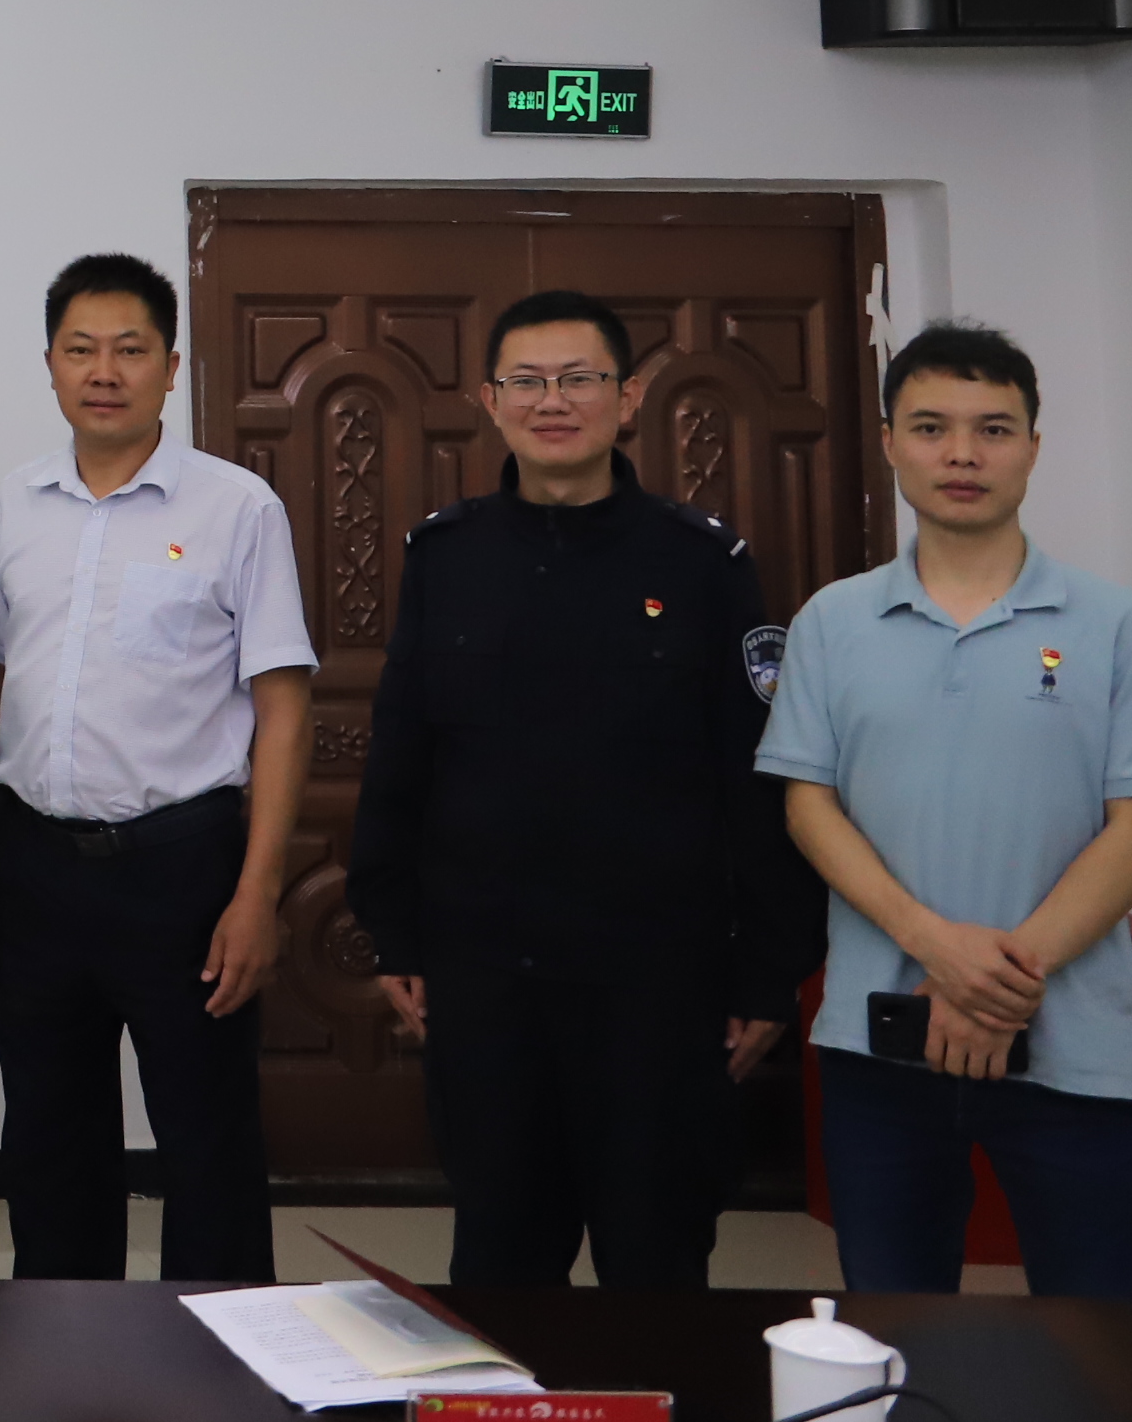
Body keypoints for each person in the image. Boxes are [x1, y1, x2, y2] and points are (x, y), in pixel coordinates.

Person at [347, 289, 822, 1289]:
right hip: (486, 978)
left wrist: (767, 971)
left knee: (656, 1263)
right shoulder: (446, 556)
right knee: (498, 1262)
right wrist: (391, 928)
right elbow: (400, 755)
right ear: (489, 400)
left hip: (657, 984)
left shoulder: (700, 563)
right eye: (525, 380)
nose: (550, 400)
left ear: (629, 396)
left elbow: (756, 775)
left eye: (578, 378)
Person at [757, 320, 1132, 1298]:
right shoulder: (832, 622)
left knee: (1099, 1339)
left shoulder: (1118, 624)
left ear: (1033, 447)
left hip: (1075, 1048)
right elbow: (808, 807)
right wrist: (936, 945)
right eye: (931, 427)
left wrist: (995, 981)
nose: (961, 453)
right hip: (878, 1045)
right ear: (890, 442)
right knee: (897, 1331)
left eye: (992, 429)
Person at [0, 251, 315, 1283]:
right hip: (35, 868)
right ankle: (64, 1351)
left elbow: (282, 710)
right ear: (49, 365)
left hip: (182, 870)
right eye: (80, 349)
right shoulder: (12, 504)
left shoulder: (236, 508)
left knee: (206, 1145)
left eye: (129, 349)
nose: (103, 371)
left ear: (170, 367)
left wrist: (256, 892)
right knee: (48, 1144)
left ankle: (214, 1358)